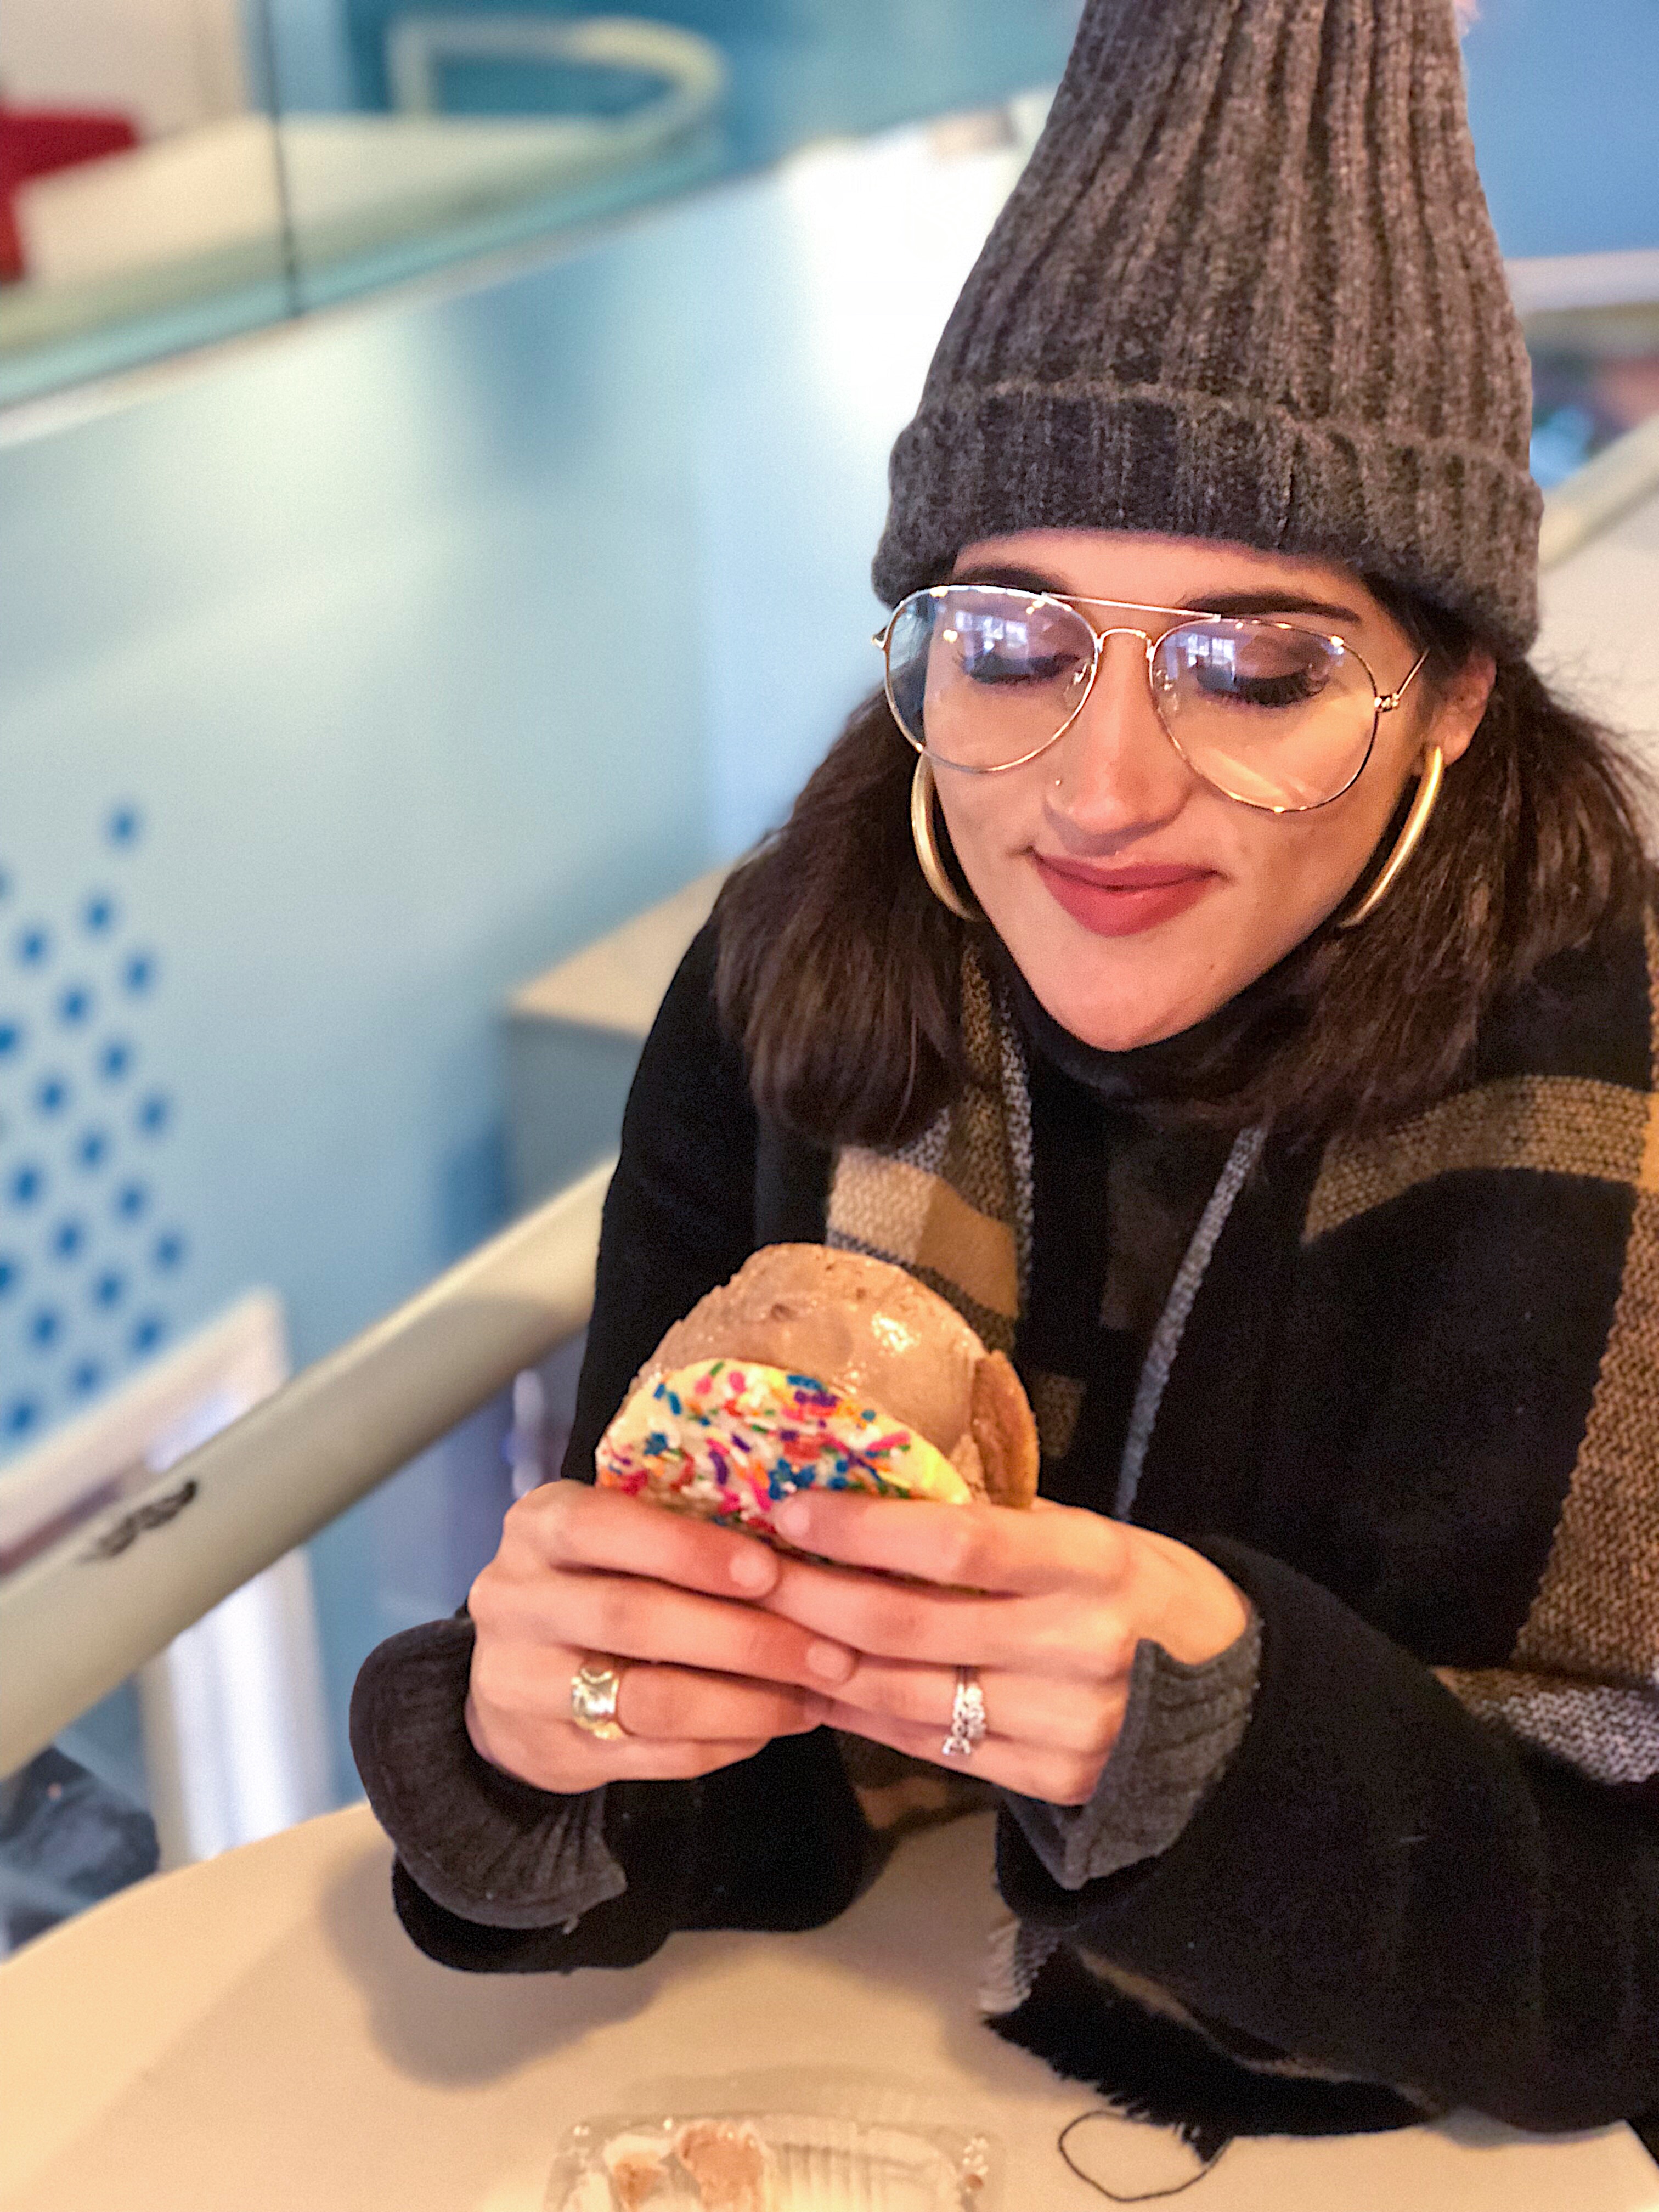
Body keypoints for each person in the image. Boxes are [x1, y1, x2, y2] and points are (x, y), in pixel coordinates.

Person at [351, 0, 1659, 2147]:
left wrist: (1231, 1741)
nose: (1102, 788)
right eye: (1016, 638)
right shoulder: (791, 988)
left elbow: (1619, 1987)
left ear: (1447, 700)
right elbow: (696, 1800)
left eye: (1252, 662)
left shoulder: (1616, 1095)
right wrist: (542, 1727)